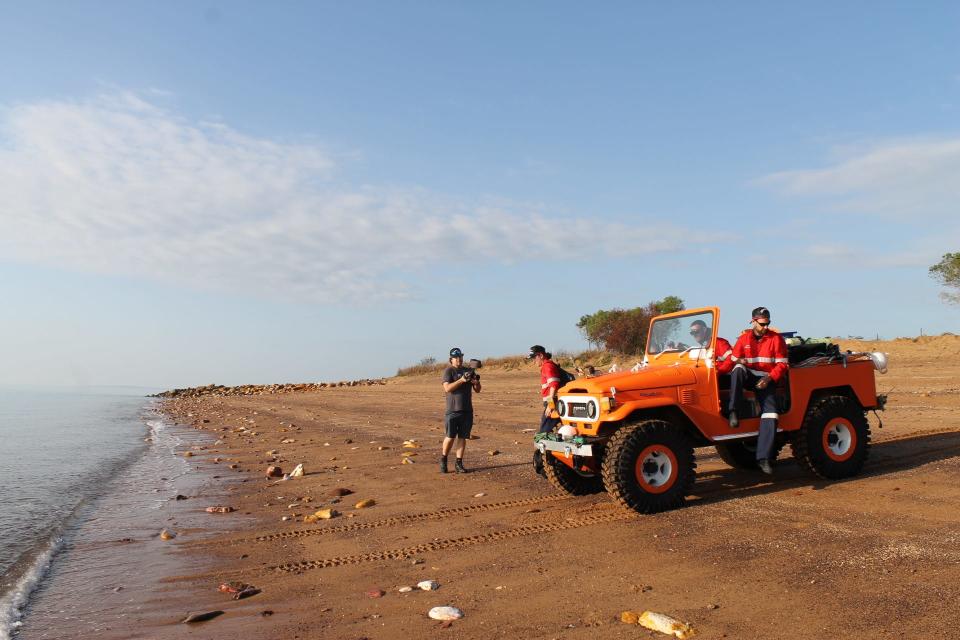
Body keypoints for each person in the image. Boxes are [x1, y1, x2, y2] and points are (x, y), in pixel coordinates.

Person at [727, 307, 789, 475]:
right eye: (762, 324)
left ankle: (764, 459)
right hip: (748, 376)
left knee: (771, 414)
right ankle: (733, 410)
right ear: (753, 321)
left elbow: (782, 364)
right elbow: (733, 359)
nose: (765, 327)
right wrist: (738, 360)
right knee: (738, 368)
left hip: (766, 380)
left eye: (767, 323)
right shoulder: (743, 338)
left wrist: (769, 379)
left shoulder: (777, 339)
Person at [440, 347, 481, 474]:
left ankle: (459, 463)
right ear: (451, 359)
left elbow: (478, 389)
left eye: (460, 357)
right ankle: (444, 459)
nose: (459, 359)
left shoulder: (468, 370)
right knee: (450, 437)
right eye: (456, 357)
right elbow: (447, 388)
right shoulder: (448, 371)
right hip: (452, 410)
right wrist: (462, 380)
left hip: (467, 410)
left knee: (463, 437)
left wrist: (475, 382)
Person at [529, 345, 562, 477]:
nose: (533, 361)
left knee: (543, 434)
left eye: (534, 358)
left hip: (554, 405)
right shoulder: (547, 365)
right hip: (554, 404)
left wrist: (550, 404)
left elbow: (554, 384)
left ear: (541, 355)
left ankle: (544, 468)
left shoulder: (547, 366)